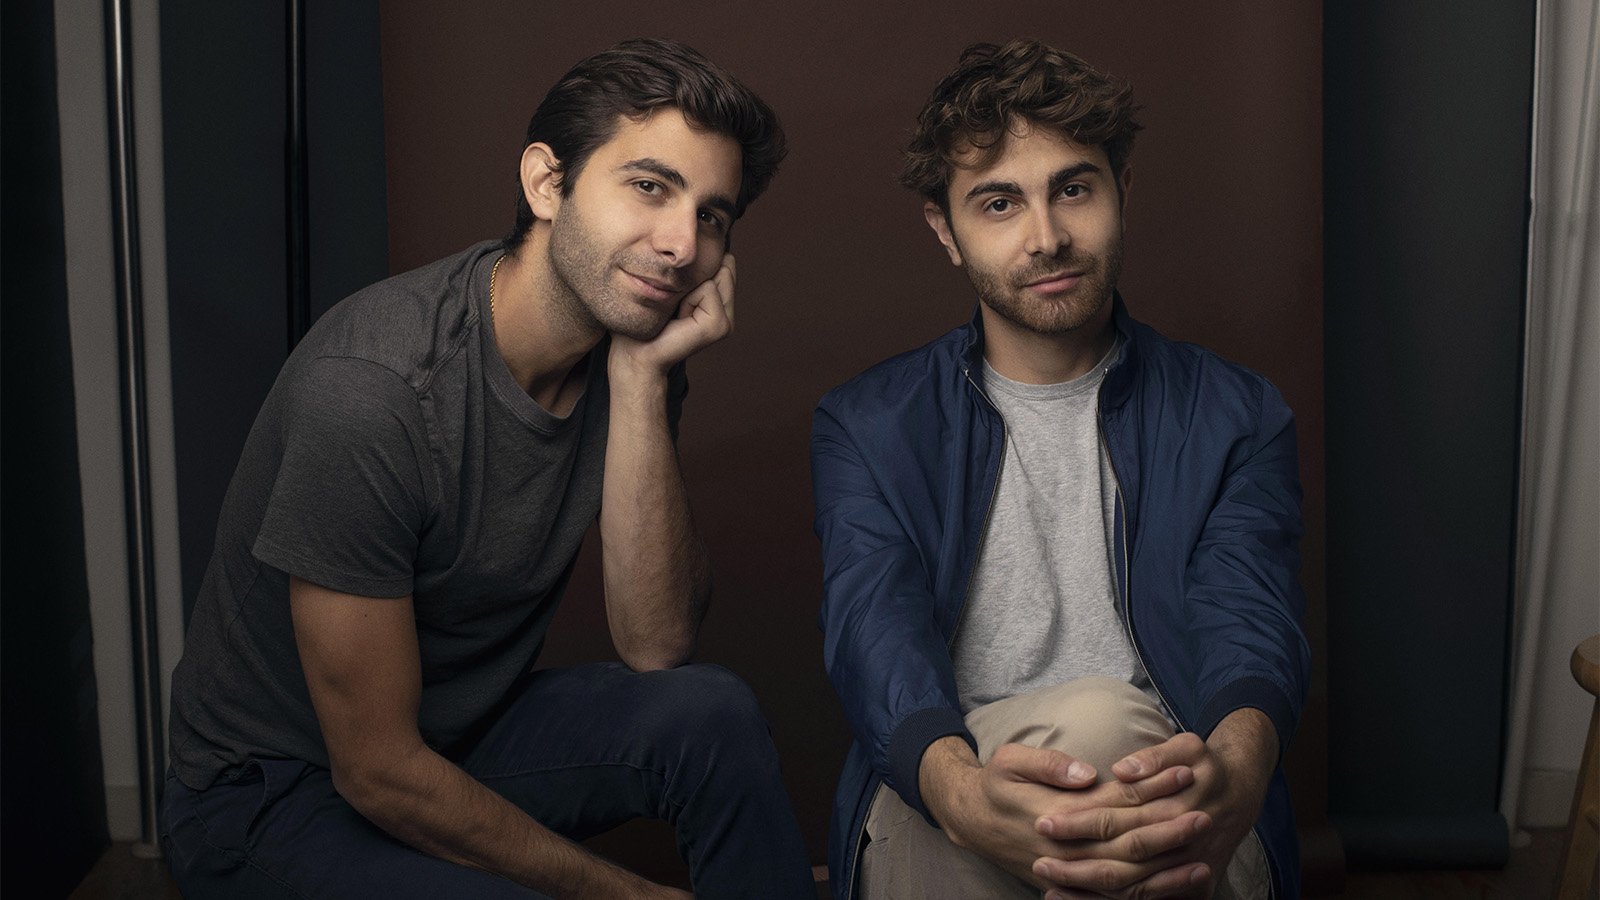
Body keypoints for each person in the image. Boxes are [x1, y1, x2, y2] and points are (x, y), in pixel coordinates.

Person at [161, 38, 813, 900]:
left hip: (458, 738)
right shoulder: (371, 392)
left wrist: (642, 381)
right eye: (650, 187)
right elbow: (378, 771)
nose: (680, 244)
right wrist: (630, 896)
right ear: (548, 183)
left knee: (710, 714)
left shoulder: (639, 344)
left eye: (713, 215)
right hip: (274, 795)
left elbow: (657, 647)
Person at [812, 40, 1310, 900]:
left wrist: (1236, 767)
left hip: (1175, 781)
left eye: (1073, 189)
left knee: (1110, 726)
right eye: (999, 203)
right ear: (946, 230)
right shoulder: (868, 425)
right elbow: (874, 634)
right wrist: (961, 794)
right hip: (949, 782)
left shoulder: (1235, 413)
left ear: (1123, 192)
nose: (1046, 238)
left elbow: (1248, 619)